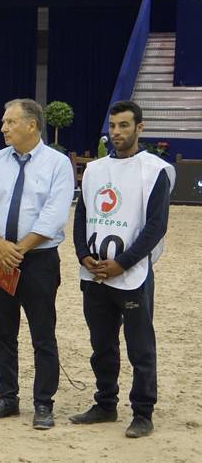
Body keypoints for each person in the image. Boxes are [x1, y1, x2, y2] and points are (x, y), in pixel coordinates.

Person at [70, 101, 173, 439]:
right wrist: (84, 255)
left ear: (139, 128)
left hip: (131, 276)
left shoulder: (154, 170)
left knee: (140, 346)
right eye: (113, 126)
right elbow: (83, 215)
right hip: (95, 273)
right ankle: (105, 403)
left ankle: (143, 412)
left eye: (124, 126)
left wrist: (122, 263)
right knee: (101, 345)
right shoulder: (96, 169)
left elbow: (156, 226)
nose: (116, 132)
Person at [0, 98, 75, 430]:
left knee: (42, 333)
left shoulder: (58, 164)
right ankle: (7, 397)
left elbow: (55, 214)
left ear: (31, 125)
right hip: (0, 256)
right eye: (4, 122)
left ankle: (43, 403)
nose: (3, 127)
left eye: (9, 122)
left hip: (39, 261)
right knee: (3, 332)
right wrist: (0, 246)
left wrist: (20, 248)